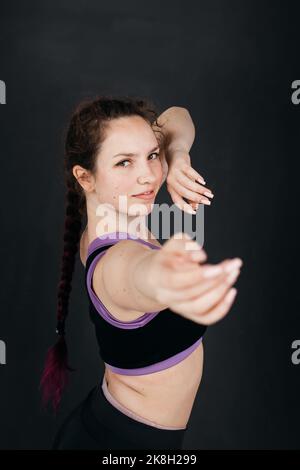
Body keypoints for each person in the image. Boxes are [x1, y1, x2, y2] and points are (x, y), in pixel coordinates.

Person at [40, 95, 242, 450]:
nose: (148, 174)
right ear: (85, 178)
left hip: (110, 428)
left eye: (151, 155)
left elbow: (179, 114)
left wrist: (177, 156)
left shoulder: (112, 217)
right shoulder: (113, 263)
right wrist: (168, 277)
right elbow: (136, 275)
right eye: (123, 163)